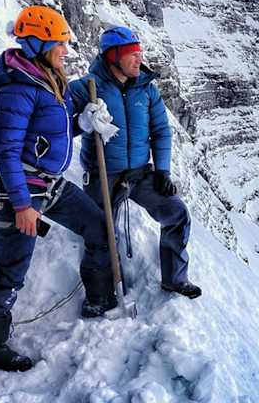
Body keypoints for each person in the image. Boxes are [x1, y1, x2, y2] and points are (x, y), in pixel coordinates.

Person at [0, 6, 117, 372]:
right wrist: (22, 205)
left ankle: (99, 300)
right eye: (59, 43)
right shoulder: (18, 87)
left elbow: (49, 132)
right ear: (39, 43)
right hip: (20, 191)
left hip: (48, 185)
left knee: (97, 224)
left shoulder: (47, 77)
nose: (65, 50)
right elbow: (5, 150)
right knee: (10, 268)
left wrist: (81, 124)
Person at [70, 26, 201, 309]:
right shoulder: (86, 88)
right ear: (113, 56)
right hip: (103, 174)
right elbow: (58, 126)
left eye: (139, 53)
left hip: (141, 174)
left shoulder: (146, 89)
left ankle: (174, 279)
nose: (138, 60)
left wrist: (163, 171)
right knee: (101, 233)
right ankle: (99, 298)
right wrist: (81, 122)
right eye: (132, 54)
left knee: (177, 214)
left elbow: (161, 131)